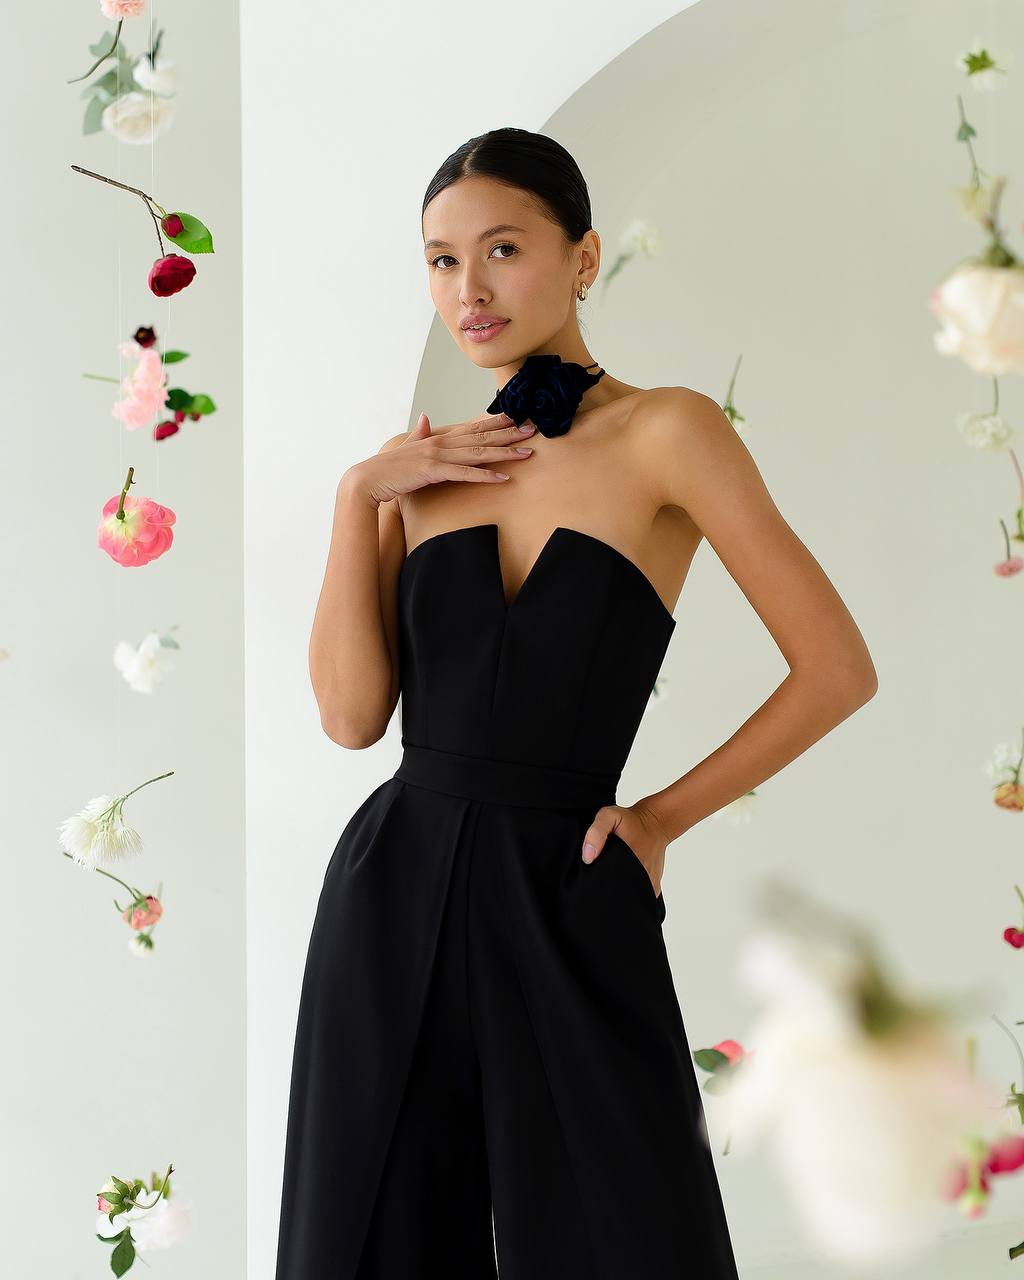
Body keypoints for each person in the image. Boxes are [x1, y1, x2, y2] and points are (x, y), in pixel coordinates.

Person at [274, 127, 878, 1280]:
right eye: (442, 261)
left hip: (564, 888)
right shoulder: (421, 468)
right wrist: (361, 498)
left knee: (626, 1233)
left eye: (502, 248)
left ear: (583, 255)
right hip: (391, 892)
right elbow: (353, 719)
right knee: (369, 1236)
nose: (471, 288)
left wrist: (655, 820)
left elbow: (835, 665)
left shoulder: (668, 430)